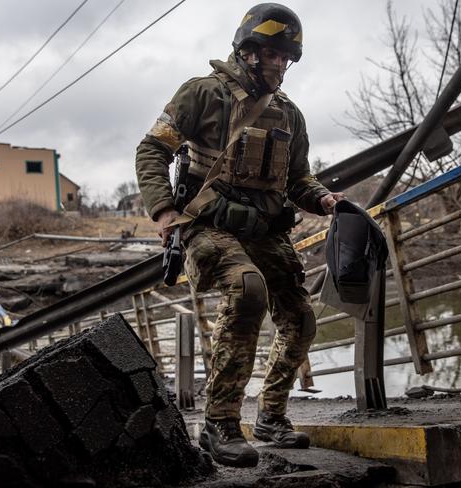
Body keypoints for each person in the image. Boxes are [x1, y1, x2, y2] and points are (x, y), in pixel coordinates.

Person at [135, 3, 344, 468]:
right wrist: (164, 210)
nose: (281, 66)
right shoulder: (202, 94)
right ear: (249, 51)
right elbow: (152, 149)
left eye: (287, 59)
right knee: (247, 290)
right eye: (273, 56)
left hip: (264, 228)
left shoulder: (290, 114)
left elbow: (298, 180)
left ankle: (271, 417)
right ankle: (220, 425)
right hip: (206, 223)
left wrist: (324, 200)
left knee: (300, 316)